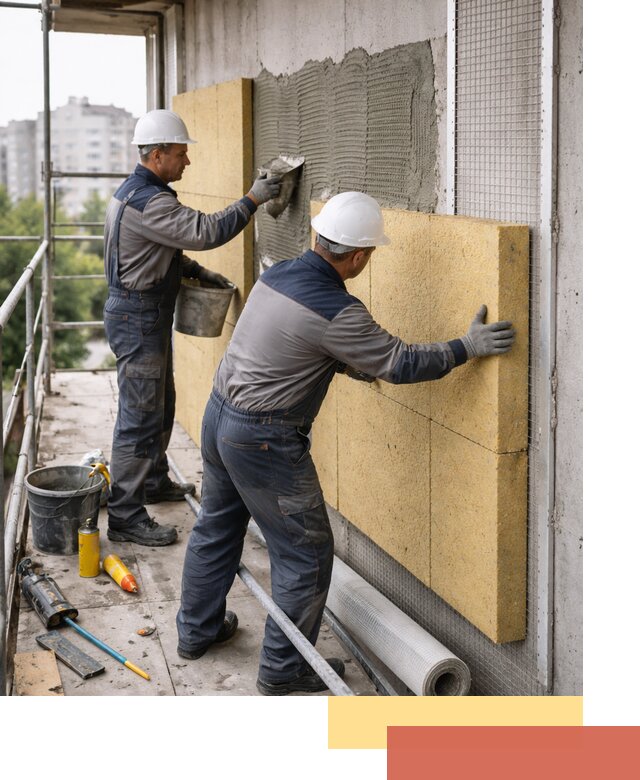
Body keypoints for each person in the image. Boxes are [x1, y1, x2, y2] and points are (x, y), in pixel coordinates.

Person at [175, 191, 516, 694]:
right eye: (370, 254)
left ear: (317, 237)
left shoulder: (275, 276)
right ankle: (282, 671)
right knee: (306, 555)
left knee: (217, 526)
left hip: (219, 416)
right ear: (357, 257)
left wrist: (341, 358)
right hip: (264, 441)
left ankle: (194, 633)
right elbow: (400, 363)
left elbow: (292, 344)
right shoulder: (338, 311)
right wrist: (467, 346)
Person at [103, 109, 281, 547]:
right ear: (158, 155)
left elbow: (169, 253)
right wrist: (253, 199)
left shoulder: (136, 193)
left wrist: (202, 275)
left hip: (139, 315)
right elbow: (206, 231)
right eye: (181, 155)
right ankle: (125, 514)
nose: (187, 162)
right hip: (138, 317)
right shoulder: (152, 201)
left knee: (159, 404)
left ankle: (151, 482)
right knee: (138, 417)